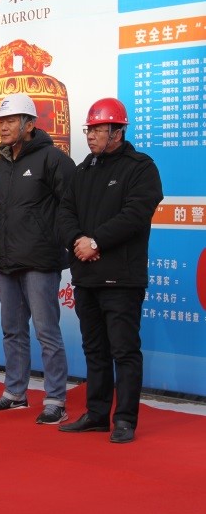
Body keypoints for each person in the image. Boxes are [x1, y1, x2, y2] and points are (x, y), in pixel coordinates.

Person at [56, 97, 162, 444]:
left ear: (117, 131)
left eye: (98, 130)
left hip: (122, 278)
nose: (90, 136)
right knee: (95, 349)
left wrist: (96, 241)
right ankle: (97, 414)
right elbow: (65, 212)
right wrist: (77, 241)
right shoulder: (83, 169)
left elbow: (135, 214)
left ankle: (125, 419)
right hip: (87, 276)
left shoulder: (140, 168)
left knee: (124, 351)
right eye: (88, 130)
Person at [0, 93, 76, 425]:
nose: (3, 127)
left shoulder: (53, 159)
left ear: (29, 124)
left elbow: (72, 205)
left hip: (40, 259)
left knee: (46, 332)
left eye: (11, 121)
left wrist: (65, 242)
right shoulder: (0, 164)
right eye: (1, 121)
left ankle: (55, 399)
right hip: (8, 258)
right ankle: (15, 393)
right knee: (12, 330)